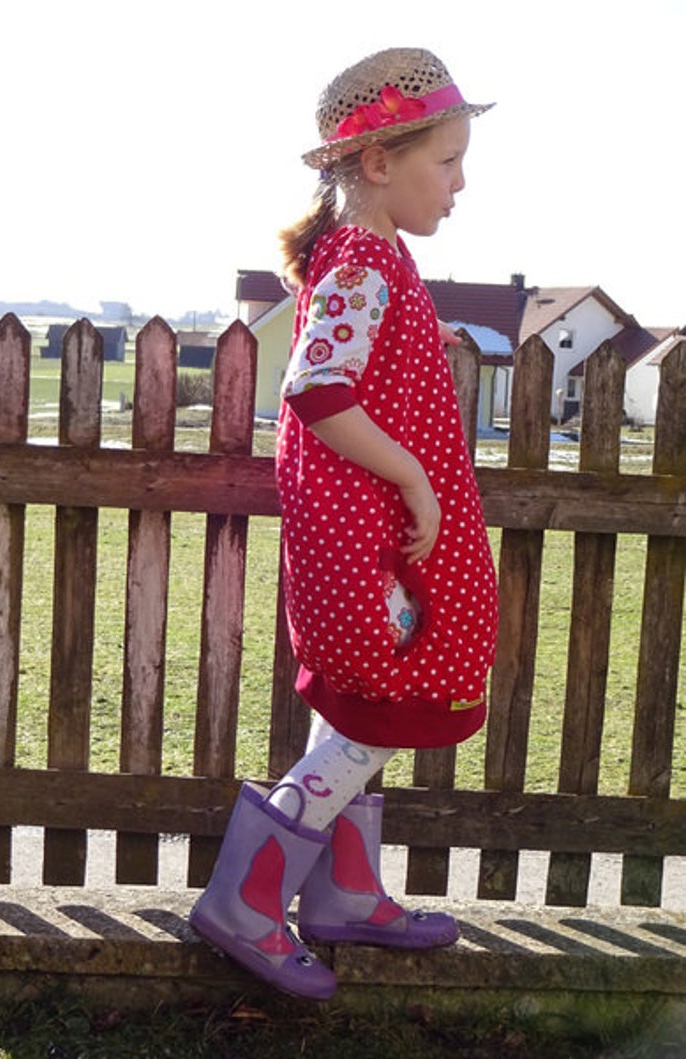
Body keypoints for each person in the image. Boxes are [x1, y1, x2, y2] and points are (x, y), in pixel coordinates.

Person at [190, 46, 499, 1001]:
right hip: (368, 532)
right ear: (377, 164)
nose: (460, 182)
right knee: (368, 714)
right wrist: (414, 479)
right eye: (444, 161)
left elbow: (355, 354)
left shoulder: (371, 257)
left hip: (359, 529)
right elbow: (319, 386)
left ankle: (345, 893)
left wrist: (422, 336)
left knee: (360, 706)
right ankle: (245, 903)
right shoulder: (365, 256)